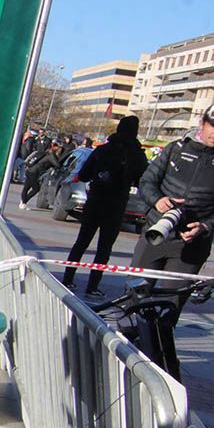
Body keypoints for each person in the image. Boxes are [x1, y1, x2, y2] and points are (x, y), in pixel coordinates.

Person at [130, 103, 214, 329]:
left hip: (192, 243)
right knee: (134, 297)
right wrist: (157, 200)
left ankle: (155, 357)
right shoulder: (176, 148)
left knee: (168, 309)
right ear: (202, 124)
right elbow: (146, 181)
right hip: (156, 234)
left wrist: (205, 226)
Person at [61, 115, 148, 295]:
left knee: (82, 242)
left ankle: (68, 279)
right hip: (116, 204)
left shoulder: (102, 150)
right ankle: (92, 286)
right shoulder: (137, 155)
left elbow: (84, 174)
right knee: (104, 248)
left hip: (95, 200)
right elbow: (143, 181)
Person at [19, 138, 60, 209]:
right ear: (55, 148)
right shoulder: (51, 155)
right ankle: (24, 201)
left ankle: (22, 203)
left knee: (26, 187)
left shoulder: (46, 152)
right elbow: (58, 165)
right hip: (34, 173)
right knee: (36, 189)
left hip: (30, 170)